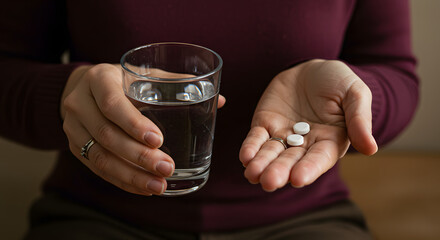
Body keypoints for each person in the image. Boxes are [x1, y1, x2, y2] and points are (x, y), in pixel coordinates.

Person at [0, 0, 418, 239]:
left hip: (304, 218)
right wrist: (66, 91)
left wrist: (358, 98)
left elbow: (395, 69)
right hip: (97, 216)